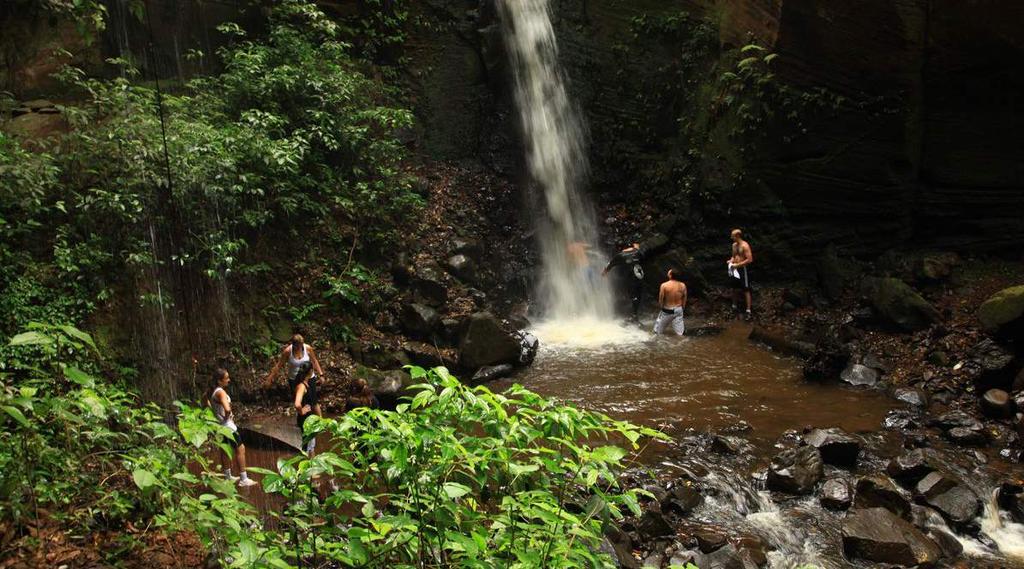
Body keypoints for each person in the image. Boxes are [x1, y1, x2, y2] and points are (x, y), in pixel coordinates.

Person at [207, 368, 257, 487]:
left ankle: (228, 476)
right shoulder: (221, 392)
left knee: (225, 450)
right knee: (240, 449)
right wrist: (226, 417)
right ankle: (243, 479)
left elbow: (204, 402)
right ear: (219, 381)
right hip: (228, 426)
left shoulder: (210, 391)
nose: (229, 380)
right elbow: (227, 409)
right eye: (226, 378)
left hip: (218, 426)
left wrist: (215, 414)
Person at [263, 334, 324, 412]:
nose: (300, 347)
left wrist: (321, 374)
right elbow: (278, 366)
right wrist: (269, 379)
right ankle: (302, 419)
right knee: (300, 402)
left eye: (302, 345)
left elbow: (314, 361)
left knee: (314, 401)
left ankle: (321, 420)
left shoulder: (307, 348)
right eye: (298, 346)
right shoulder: (288, 351)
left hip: (309, 378)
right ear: (294, 345)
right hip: (295, 380)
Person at [602, 241, 646, 321]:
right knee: (638, 295)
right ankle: (636, 314)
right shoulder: (637, 251)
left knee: (633, 295)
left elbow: (609, 265)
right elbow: (637, 248)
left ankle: (634, 316)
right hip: (640, 277)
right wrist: (636, 247)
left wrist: (604, 273)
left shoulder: (620, 255)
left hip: (631, 278)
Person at [292, 361, 321, 455]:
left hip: (307, 419)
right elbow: (297, 404)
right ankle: (309, 467)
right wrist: (302, 411)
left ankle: (309, 466)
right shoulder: (302, 386)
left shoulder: (305, 383)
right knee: (309, 447)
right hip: (305, 420)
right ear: (311, 371)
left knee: (309, 446)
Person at [727, 228, 754, 320]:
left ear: (737, 236)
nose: (731, 237)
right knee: (734, 288)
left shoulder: (745, 245)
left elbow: (750, 260)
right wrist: (730, 261)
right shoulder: (734, 245)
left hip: (742, 269)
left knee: (746, 289)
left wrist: (737, 265)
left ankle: (748, 311)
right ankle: (734, 306)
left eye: (732, 236)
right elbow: (734, 256)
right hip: (734, 268)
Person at [653, 269, 687, 335]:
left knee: (657, 332)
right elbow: (684, 298)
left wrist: (661, 307)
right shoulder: (683, 285)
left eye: (668, 273)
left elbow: (661, 299)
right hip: (679, 309)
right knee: (680, 333)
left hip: (667, 310)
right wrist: (682, 308)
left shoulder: (664, 285)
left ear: (671, 275)